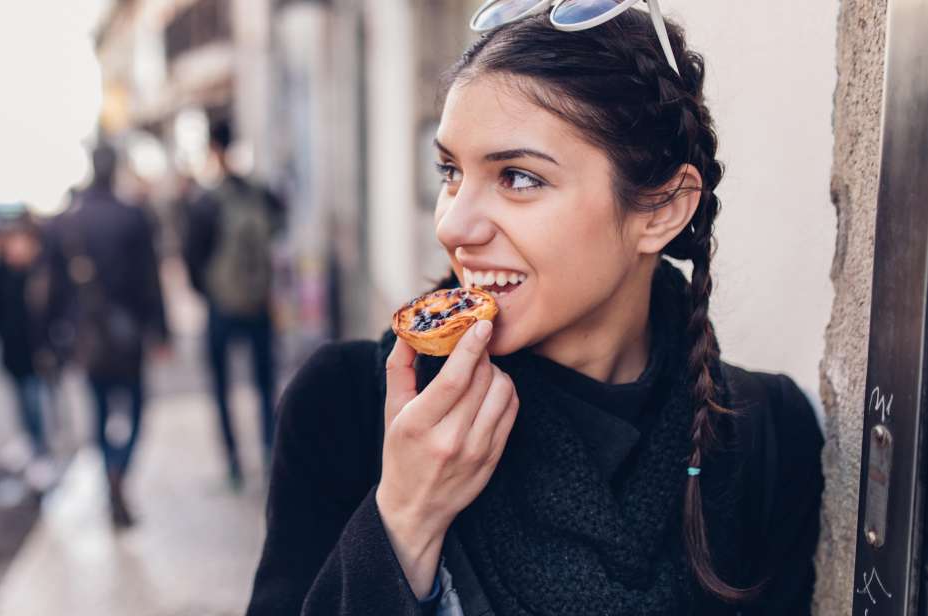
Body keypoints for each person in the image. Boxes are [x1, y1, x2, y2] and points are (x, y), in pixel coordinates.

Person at [248, 8, 823, 616]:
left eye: (518, 178)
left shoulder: (763, 434)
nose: (453, 224)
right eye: (450, 171)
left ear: (661, 209)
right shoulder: (348, 411)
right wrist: (404, 520)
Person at [50, 144, 168, 527]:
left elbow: (56, 289)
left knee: (99, 411)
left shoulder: (70, 221)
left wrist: (60, 336)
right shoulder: (132, 216)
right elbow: (151, 278)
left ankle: (110, 474)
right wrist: (160, 329)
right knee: (135, 408)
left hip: (87, 335)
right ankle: (119, 471)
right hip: (127, 331)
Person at [183, 119, 286, 488]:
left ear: (212, 149)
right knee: (265, 384)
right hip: (258, 303)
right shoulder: (258, 193)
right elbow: (280, 222)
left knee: (222, 387)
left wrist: (209, 292)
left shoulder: (206, 202)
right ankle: (271, 452)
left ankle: (233, 463)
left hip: (221, 308)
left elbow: (191, 257)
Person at [0, 213, 54, 486]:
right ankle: (29, 442)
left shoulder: (39, 274)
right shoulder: (0, 274)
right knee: (20, 402)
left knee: (37, 404)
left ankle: (42, 451)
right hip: (12, 352)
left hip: (36, 353)